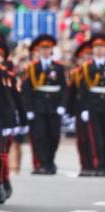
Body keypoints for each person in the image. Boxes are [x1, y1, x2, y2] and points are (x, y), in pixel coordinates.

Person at [22, 34, 67, 175]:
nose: (45, 51)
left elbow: (65, 88)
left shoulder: (59, 67)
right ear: (38, 50)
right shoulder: (32, 68)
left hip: (54, 106)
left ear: (52, 50)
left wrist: (62, 105)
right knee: (39, 136)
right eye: (42, 48)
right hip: (38, 106)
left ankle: (50, 161)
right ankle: (42, 163)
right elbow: (26, 90)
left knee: (54, 135)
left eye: (48, 48)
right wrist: (28, 108)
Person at [74, 36, 105, 176]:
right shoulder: (87, 67)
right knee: (96, 137)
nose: (99, 50)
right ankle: (98, 165)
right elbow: (83, 90)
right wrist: (85, 108)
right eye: (96, 47)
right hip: (93, 104)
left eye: (102, 47)